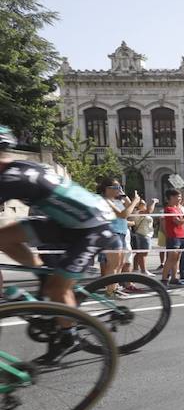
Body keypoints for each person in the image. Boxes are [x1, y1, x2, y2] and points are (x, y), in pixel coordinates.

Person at [0, 125, 118, 357]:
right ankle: (42, 275)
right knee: (4, 238)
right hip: (66, 221)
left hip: (93, 226)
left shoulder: (12, 178)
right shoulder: (18, 167)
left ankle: (68, 336)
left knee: (58, 288)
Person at [160, 188, 184, 287]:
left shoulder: (178, 208)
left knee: (177, 258)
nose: (180, 198)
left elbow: (182, 220)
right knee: (171, 258)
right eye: (178, 196)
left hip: (181, 235)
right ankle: (164, 279)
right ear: (171, 197)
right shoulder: (169, 209)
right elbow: (178, 221)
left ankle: (174, 278)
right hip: (173, 236)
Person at [132, 198, 157, 275]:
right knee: (143, 253)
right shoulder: (138, 212)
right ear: (137, 206)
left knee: (139, 253)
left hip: (145, 234)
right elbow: (149, 211)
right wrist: (154, 202)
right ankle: (144, 270)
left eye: (144, 204)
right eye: (141, 204)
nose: (144, 205)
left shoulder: (140, 212)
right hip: (143, 234)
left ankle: (136, 269)